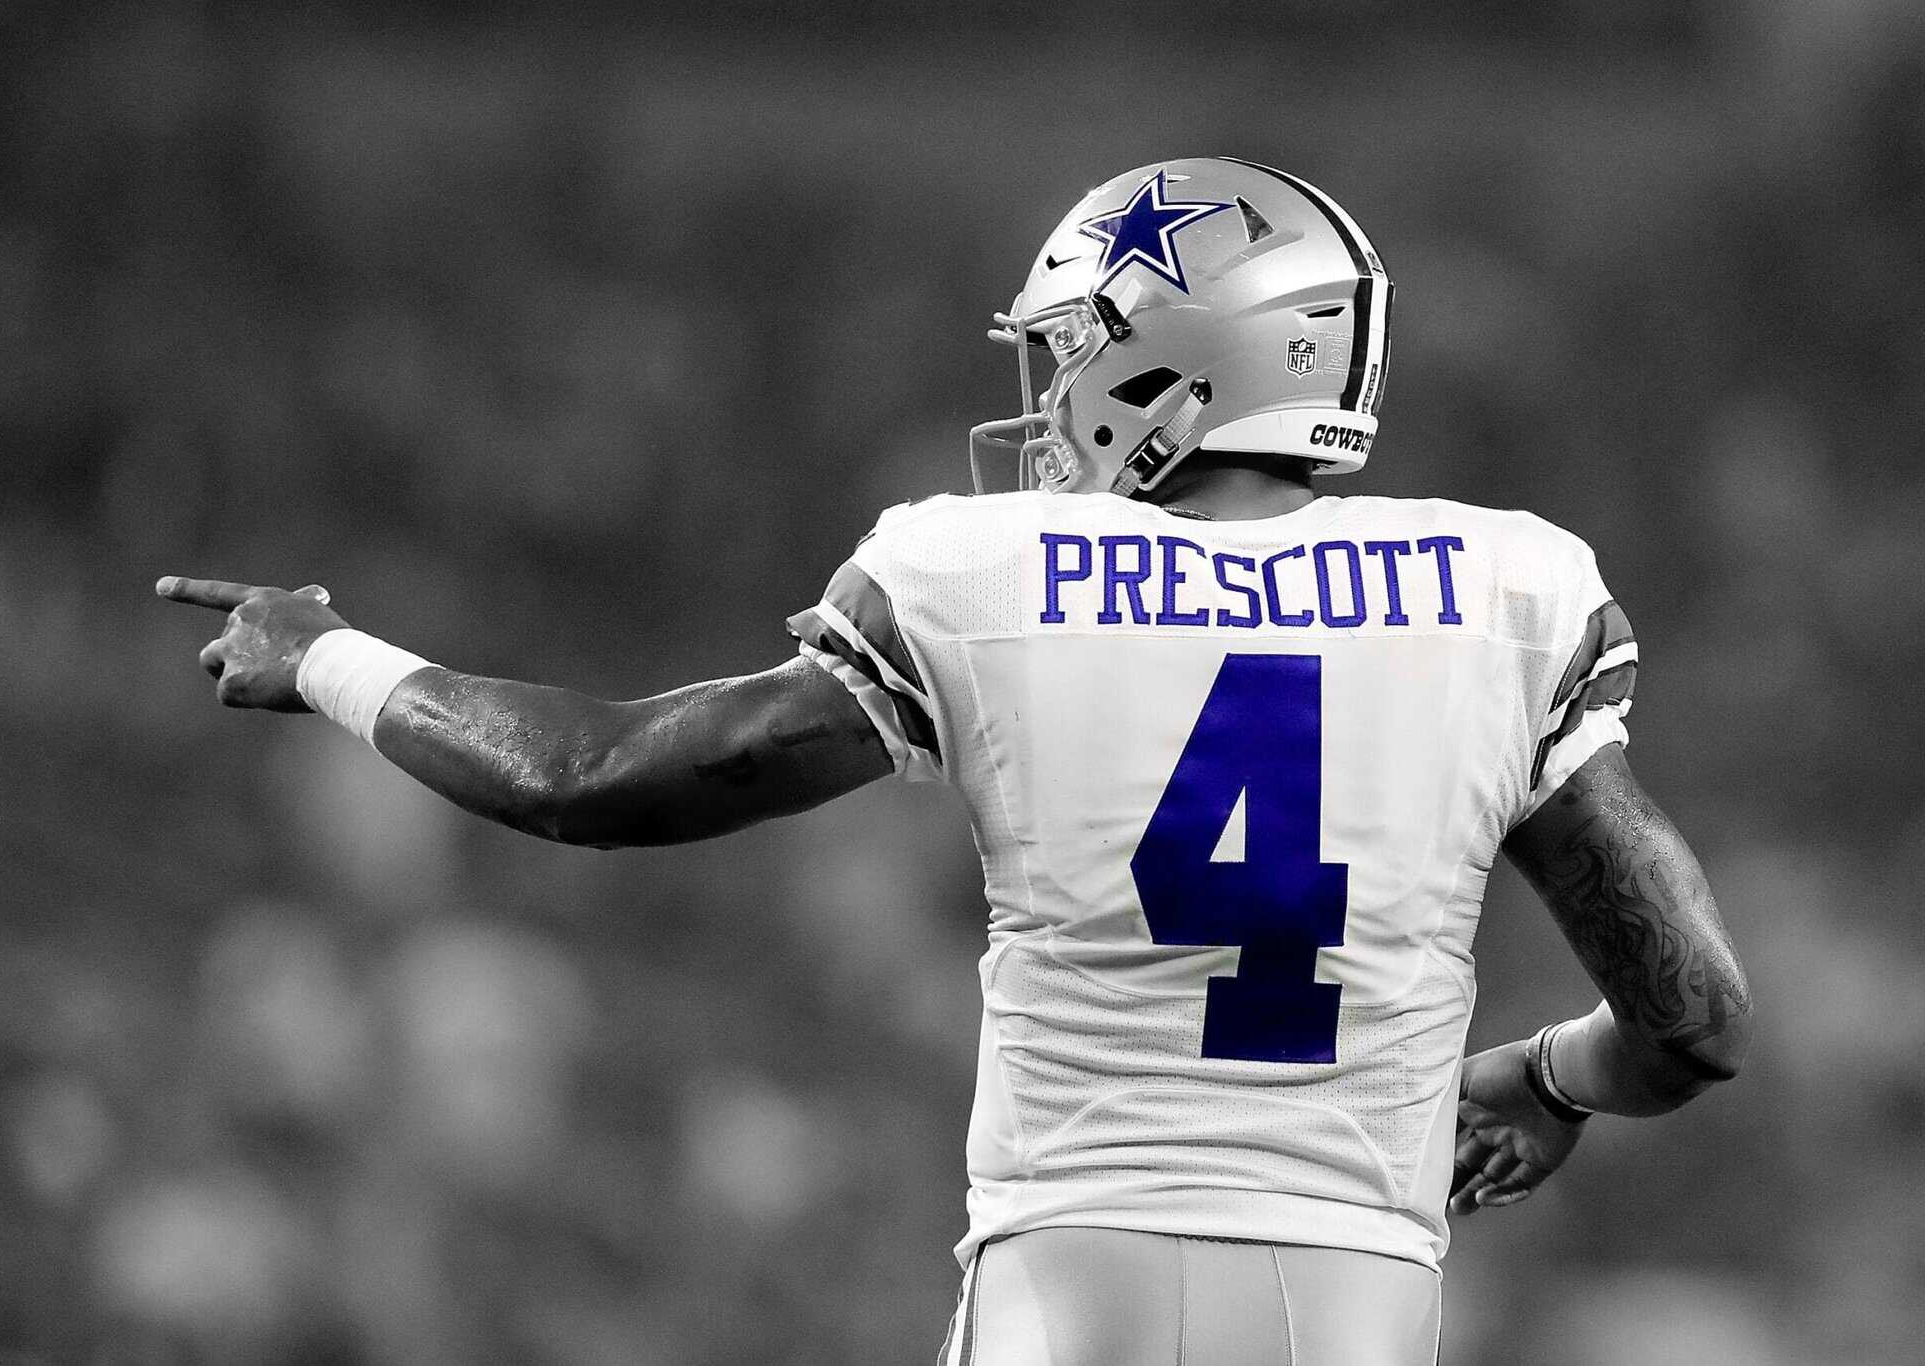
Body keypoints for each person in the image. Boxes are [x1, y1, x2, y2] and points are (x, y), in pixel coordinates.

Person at [159, 159, 1752, 1365]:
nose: (1051, 400)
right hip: (1357, 1299)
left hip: (1067, 1282)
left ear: (1175, 366)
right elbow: (1694, 1017)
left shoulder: (985, 574)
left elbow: (597, 777)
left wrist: (327, 656)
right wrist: (1558, 1078)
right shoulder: (1501, 594)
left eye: (1077, 352)